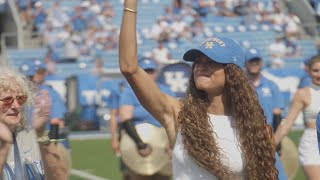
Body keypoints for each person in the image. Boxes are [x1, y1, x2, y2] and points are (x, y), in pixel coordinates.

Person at [119, 1, 278, 179]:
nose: (201, 67)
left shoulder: (256, 130)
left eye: (211, 62)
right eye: (198, 62)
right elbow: (129, 68)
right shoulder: (180, 114)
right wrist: (130, 5)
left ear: (232, 73)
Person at [0, 66, 69, 179]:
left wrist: (41, 135)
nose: (16, 106)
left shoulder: (33, 138)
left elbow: (60, 177)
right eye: (8, 100)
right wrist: (4, 149)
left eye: (20, 99)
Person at [119, 58, 175, 180]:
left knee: (163, 176)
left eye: (151, 71)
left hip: (163, 144)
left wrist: (173, 143)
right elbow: (125, 119)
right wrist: (139, 143)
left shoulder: (166, 90)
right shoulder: (129, 92)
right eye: (145, 71)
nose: (148, 75)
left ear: (155, 73)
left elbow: (176, 118)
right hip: (138, 143)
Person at [244, 48, 288, 179]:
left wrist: (278, 145)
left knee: (276, 176)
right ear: (245, 64)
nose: (254, 64)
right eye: (251, 61)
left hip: (267, 139)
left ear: (261, 63)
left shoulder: (271, 85)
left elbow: (277, 116)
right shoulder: (241, 86)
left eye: (256, 61)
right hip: (245, 137)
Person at [274, 55, 320, 180]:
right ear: (309, 71)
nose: (319, 74)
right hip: (313, 143)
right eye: (315, 70)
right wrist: (270, 145)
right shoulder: (303, 94)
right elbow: (288, 122)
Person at [19, 60, 70, 150]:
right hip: (32, 141)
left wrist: (52, 145)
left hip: (39, 142)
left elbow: (56, 122)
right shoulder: (19, 93)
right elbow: (56, 121)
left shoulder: (49, 93)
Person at [109, 81, 131, 180]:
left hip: (149, 131)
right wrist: (114, 139)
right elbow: (113, 115)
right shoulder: (119, 89)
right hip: (126, 132)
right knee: (127, 171)